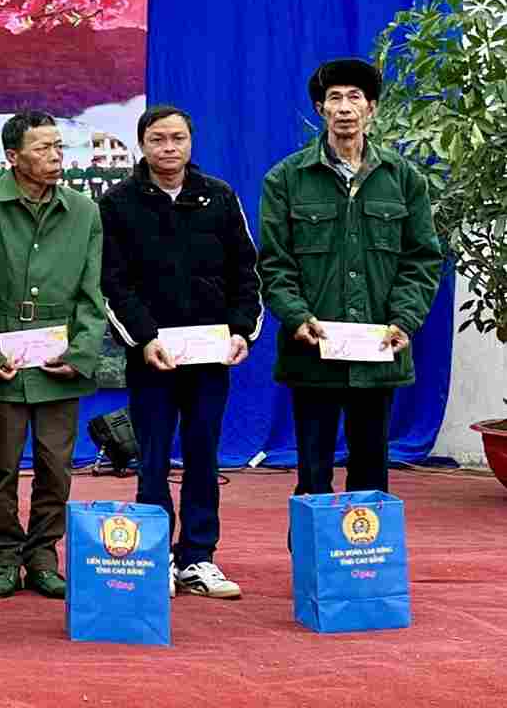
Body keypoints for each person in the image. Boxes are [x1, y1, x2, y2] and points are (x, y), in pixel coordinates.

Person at [257, 59, 443, 498]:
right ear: (320, 109)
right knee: (313, 476)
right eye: (334, 98)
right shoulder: (286, 179)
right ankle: (312, 543)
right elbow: (274, 263)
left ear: (371, 108)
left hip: (379, 350)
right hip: (312, 353)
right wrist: (296, 316)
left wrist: (404, 320)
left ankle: (366, 544)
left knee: (371, 477)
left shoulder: (404, 179)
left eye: (354, 97)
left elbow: (422, 260)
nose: (344, 107)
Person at [100, 105, 262, 599]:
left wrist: (241, 332)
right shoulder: (118, 203)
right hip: (152, 358)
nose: (168, 148)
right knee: (151, 458)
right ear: (141, 145)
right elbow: (112, 283)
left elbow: (246, 272)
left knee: (203, 454)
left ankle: (198, 557)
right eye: (158, 139)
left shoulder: (220, 196)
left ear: (191, 143)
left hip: (210, 359)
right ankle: (154, 558)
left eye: (177, 139)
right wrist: (145, 339)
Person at [0, 110, 106, 601]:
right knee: (2, 466)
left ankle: (44, 556)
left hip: (59, 358)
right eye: (43, 148)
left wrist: (82, 352)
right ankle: (5, 557)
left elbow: (93, 292)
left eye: (58, 147)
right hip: (1, 354)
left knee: (55, 464)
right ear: (13, 156)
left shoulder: (84, 211)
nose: (55, 156)